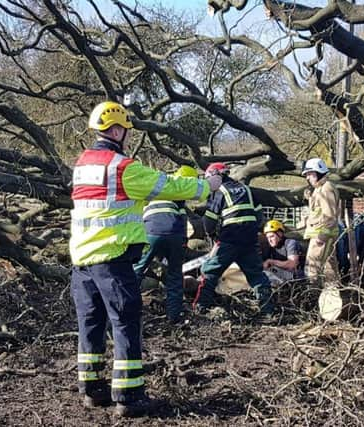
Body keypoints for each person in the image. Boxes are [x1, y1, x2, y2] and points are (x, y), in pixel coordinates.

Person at [69, 101, 222, 416]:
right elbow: (170, 186)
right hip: (112, 258)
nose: (126, 137)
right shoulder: (123, 168)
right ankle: (129, 396)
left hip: (81, 260)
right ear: (116, 129)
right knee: (125, 321)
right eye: (125, 130)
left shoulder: (82, 165)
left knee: (90, 322)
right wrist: (207, 185)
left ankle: (91, 389)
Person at [193, 162, 274, 318]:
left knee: (211, 271)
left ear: (216, 176)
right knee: (256, 274)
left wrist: (212, 235)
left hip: (230, 238)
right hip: (249, 239)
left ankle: (201, 306)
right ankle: (267, 310)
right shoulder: (247, 190)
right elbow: (259, 217)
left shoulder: (219, 192)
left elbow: (209, 221)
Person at [134, 165, 199, 324]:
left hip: (151, 233)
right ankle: (174, 317)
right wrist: (182, 244)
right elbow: (182, 221)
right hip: (175, 236)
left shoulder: (153, 193)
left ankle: (125, 307)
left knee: (138, 270)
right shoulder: (179, 198)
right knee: (175, 276)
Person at [301, 158, 341, 290]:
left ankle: (312, 295)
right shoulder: (320, 188)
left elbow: (330, 216)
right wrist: (310, 198)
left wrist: (321, 237)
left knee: (312, 269)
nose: (308, 178)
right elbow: (318, 210)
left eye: (310, 174)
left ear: (319, 172)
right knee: (329, 269)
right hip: (323, 234)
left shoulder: (326, 188)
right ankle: (332, 295)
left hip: (322, 235)